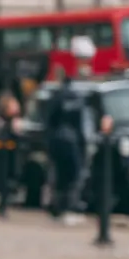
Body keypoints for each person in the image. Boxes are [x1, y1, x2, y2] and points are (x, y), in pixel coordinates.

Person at [46, 67, 86, 220]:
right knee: (72, 174)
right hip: (72, 140)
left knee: (58, 174)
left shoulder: (56, 96)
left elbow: (50, 121)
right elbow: (80, 124)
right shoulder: (77, 98)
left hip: (58, 140)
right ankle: (69, 204)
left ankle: (57, 205)